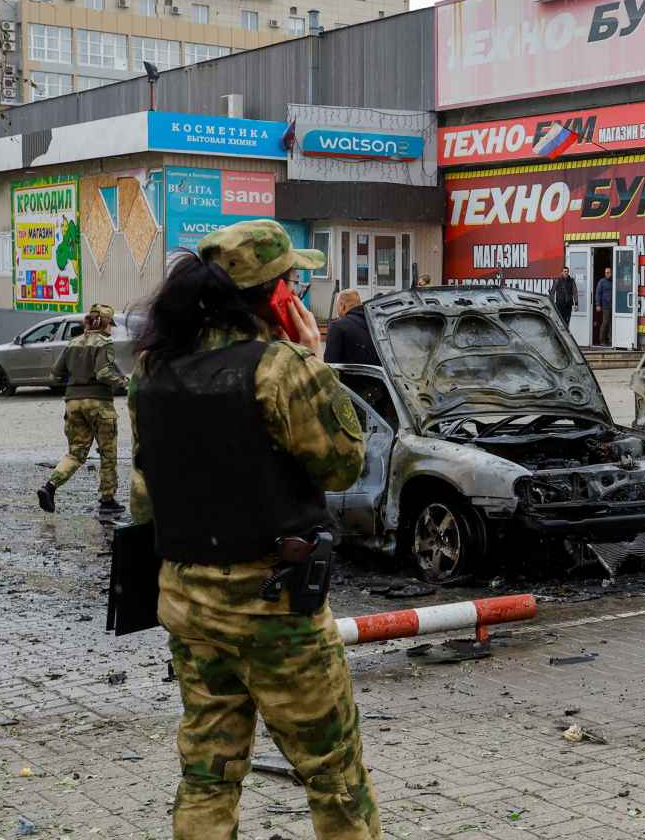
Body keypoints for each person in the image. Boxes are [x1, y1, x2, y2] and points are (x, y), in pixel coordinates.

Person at [129, 219, 379, 838]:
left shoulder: (153, 373)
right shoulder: (280, 368)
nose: (299, 291)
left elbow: (142, 500)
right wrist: (319, 365)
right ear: (272, 293)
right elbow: (343, 464)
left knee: (208, 774)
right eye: (293, 280)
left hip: (187, 603)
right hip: (275, 610)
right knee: (334, 773)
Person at [37, 303, 128, 514]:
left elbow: (55, 374)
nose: (111, 329)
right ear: (105, 323)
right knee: (108, 453)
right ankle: (107, 500)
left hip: (73, 404)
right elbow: (104, 373)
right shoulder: (105, 343)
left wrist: (77, 378)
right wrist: (124, 381)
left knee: (76, 453)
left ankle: (49, 487)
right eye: (110, 324)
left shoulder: (73, 342)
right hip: (99, 405)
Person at [323, 287, 381, 366]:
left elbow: (330, 365)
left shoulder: (337, 327)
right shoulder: (378, 323)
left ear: (342, 306)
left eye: (337, 307)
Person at [594, 266, 614, 347]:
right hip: (605, 305)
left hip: (614, 306)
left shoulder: (614, 281)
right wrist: (598, 304)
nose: (607, 274)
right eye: (606, 272)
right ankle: (602, 340)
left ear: (611, 273)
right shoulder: (601, 282)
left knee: (612, 323)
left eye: (608, 272)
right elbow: (598, 293)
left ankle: (611, 340)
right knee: (605, 322)